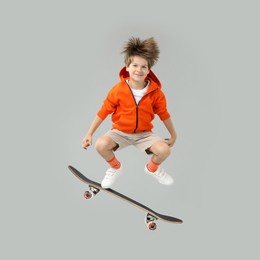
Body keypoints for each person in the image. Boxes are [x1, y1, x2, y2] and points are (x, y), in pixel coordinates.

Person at [82, 37, 177, 189]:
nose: (139, 70)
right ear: (127, 67)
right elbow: (103, 112)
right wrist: (89, 134)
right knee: (101, 145)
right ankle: (115, 168)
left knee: (164, 150)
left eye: (144, 67)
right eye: (135, 65)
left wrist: (173, 135)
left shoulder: (156, 93)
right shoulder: (118, 90)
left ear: (148, 70)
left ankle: (152, 169)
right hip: (120, 132)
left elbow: (164, 114)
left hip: (144, 134)